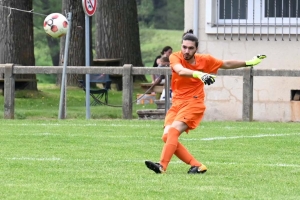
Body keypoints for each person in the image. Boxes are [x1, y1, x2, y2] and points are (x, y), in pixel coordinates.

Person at [145, 29, 266, 174]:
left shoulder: (205, 60)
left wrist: (249, 62)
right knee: (167, 136)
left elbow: (226, 64)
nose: (187, 51)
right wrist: (200, 74)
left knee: (173, 131)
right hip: (177, 103)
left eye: (190, 48)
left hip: (194, 103)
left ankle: (162, 166)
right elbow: (180, 70)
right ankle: (197, 165)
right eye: (184, 47)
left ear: (196, 49)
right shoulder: (175, 57)